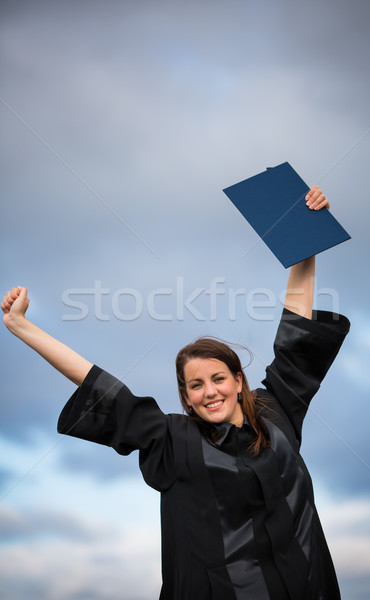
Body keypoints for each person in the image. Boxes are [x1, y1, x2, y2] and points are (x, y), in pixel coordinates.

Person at [2, 186, 350, 600]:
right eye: (196, 385)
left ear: (239, 381)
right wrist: (23, 328)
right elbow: (98, 382)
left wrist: (302, 237)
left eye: (218, 379)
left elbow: (294, 327)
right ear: (186, 399)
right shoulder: (173, 439)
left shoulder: (277, 414)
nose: (210, 392)